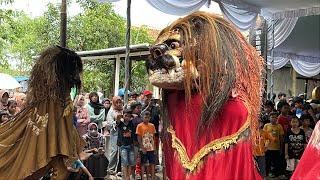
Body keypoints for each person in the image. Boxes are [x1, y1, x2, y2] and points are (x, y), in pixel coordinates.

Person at [136, 111, 156, 180]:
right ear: (142, 117)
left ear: (150, 118)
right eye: (145, 117)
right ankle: (143, 178)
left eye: (148, 117)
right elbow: (139, 138)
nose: (147, 119)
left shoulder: (152, 126)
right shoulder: (139, 126)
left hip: (151, 148)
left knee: (152, 163)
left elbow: (153, 137)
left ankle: (152, 177)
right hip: (143, 148)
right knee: (143, 164)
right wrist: (142, 147)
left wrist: (155, 148)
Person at [263, 111, 284, 178]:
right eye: (272, 117)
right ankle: (266, 174)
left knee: (276, 162)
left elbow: (281, 138)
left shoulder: (279, 126)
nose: (273, 119)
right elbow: (263, 136)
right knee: (267, 162)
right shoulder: (266, 125)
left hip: (276, 148)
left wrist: (281, 148)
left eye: (275, 117)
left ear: (277, 118)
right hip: (268, 148)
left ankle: (276, 174)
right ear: (269, 118)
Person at [106, 96, 123, 175]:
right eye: (117, 102)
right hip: (115, 133)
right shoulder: (111, 111)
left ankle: (121, 169)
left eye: (120, 102)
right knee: (114, 150)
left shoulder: (123, 110)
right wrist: (117, 121)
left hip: (123, 133)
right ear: (114, 103)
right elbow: (109, 124)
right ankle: (111, 169)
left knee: (122, 151)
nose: (119, 104)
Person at [117, 109, 135, 180]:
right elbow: (118, 118)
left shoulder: (131, 123)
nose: (127, 117)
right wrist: (121, 116)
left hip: (131, 145)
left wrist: (131, 116)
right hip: (123, 146)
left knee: (130, 162)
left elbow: (133, 117)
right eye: (125, 116)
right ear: (123, 116)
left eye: (129, 116)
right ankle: (126, 177)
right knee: (125, 162)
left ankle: (128, 176)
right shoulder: (120, 123)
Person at [130, 101, 143, 179]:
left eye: (140, 108)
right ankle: (132, 175)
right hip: (134, 142)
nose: (140, 109)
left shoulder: (141, 118)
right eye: (138, 108)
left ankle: (139, 174)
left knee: (140, 159)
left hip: (141, 142)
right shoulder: (131, 119)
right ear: (133, 109)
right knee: (133, 160)